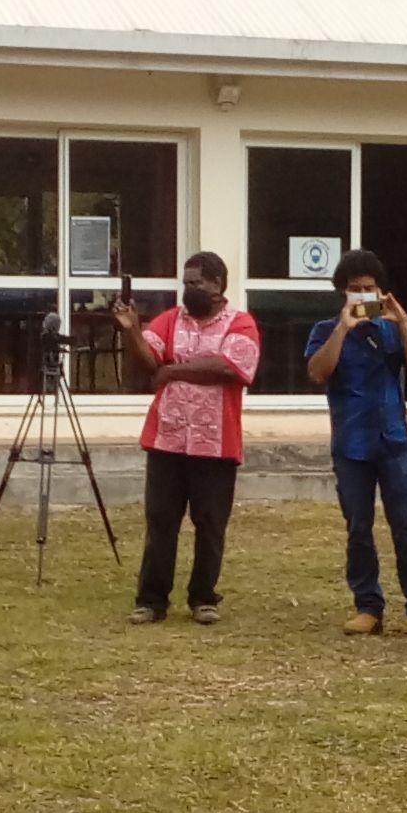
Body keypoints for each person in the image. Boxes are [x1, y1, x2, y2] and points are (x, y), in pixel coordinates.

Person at [114, 251, 260, 626]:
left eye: (195, 283)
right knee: (160, 521)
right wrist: (131, 330)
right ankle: (151, 600)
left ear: (217, 285)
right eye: (185, 282)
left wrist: (173, 371)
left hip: (216, 443)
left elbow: (230, 367)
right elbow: (148, 362)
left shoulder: (240, 325)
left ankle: (203, 597)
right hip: (167, 440)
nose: (188, 290)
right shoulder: (168, 321)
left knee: (210, 523)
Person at [304, 248, 407, 638]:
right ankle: (367, 605)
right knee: (358, 527)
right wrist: (343, 329)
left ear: (382, 292)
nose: (362, 296)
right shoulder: (326, 330)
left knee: (406, 525)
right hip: (350, 444)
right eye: (354, 290)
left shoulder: (392, 328)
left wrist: (403, 321)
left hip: (393, 441)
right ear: (342, 293)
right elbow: (317, 372)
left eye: (369, 289)